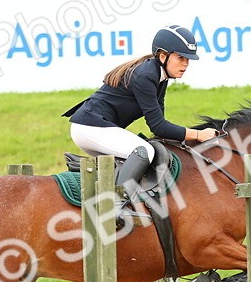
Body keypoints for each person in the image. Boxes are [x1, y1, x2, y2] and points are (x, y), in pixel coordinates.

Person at [63, 25, 219, 225]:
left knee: (144, 152)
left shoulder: (159, 77)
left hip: (93, 127)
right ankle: (114, 207)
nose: (186, 64)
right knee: (144, 151)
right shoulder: (146, 75)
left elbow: (160, 122)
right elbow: (159, 127)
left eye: (188, 59)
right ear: (163, 56)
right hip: (90, 128)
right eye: (181, 58)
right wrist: (198, 135)